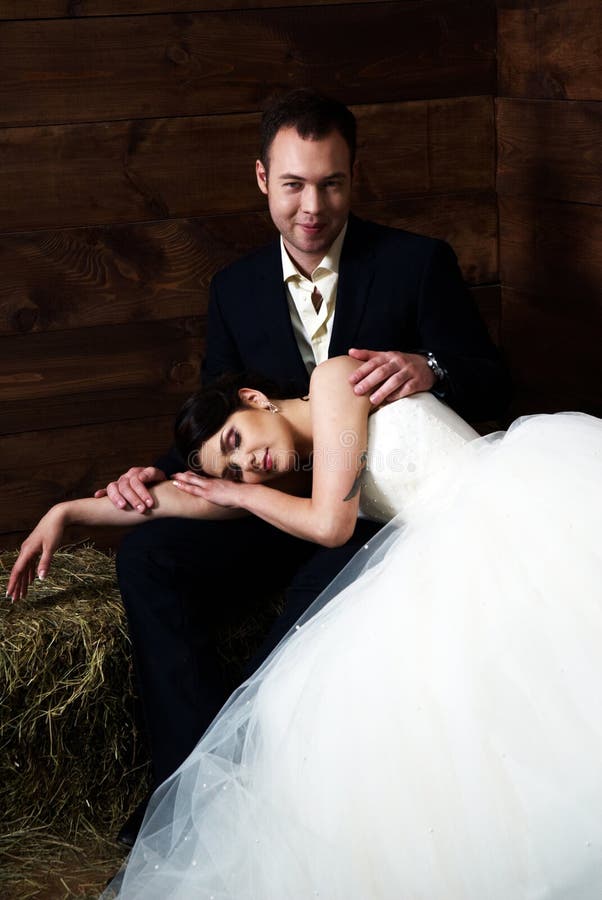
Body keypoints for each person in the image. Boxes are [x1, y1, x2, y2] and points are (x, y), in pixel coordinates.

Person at [8, 356, 601, 898]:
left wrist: (233, 495)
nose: (247, 467)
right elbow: (182, 499)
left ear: (254, 397)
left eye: (236, 440)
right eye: (234, 469)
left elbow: (331, 526)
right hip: (438, 547)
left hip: (504, 514)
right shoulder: (287, 469)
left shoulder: (333, 380)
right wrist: (68, 512)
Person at [95, 87, 512, 844]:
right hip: (270, 502)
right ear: (263, 179)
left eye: (331, 183)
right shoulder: (233, 288)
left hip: (368, 517)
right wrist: (155, 475)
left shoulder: (417, 263)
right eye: (293, 185)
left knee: (321, 593)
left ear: (354, 176)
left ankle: (247, 767)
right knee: (150, 556)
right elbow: (220, 409)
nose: (312, 207)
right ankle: (187, 780)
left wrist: (431, 367)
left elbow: (494, 379)